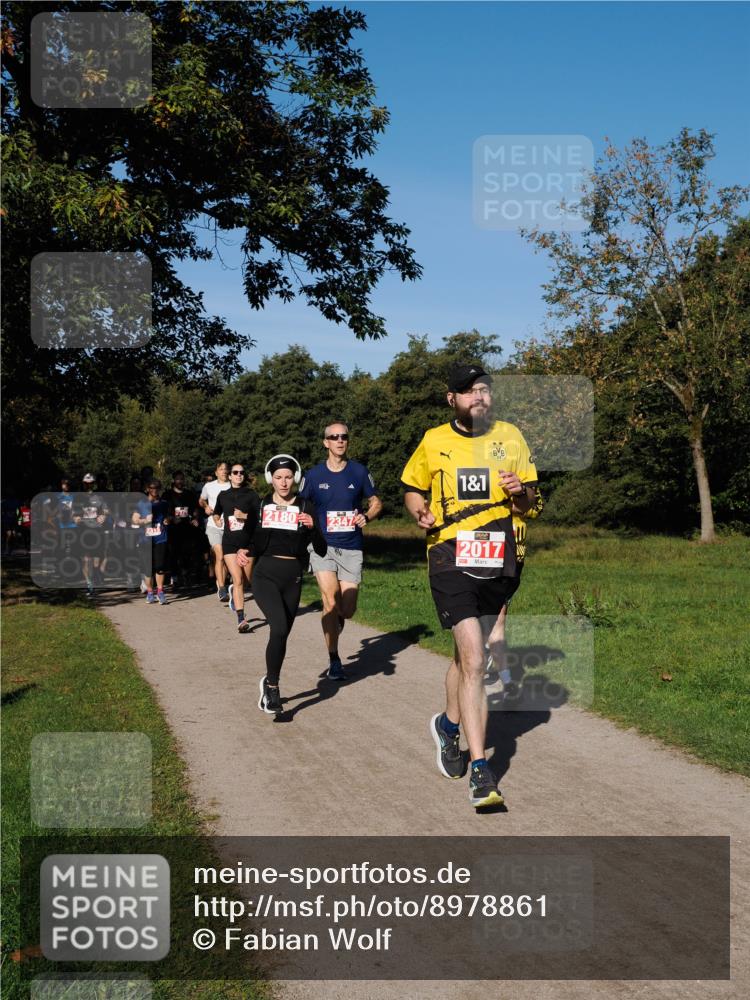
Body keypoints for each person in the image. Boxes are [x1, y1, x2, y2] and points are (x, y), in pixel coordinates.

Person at [401, 364, 539, 810]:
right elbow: (411, 488)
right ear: (451, 399)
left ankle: (447, 724)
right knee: (477, 657)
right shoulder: (434, 440)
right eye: (468, 391)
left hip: (499, 560)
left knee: (466, 660)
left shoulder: (511, 437)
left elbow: (532, 503)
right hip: (448, 558)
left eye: (484, 390)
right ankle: (481, 770)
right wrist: (418, 510)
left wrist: (521, 492)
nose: (478, 397)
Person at [237, 455, 327, 715]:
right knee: (277, 627)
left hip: (293, 577)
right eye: (278, 477)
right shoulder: (262, 505)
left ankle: (268, 680)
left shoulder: (306, 506)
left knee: (282, 633)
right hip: (265, 574)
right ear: (271, 479)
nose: (284, 482)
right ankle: (273, 688)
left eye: (288, 477)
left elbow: (320, 549)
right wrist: (244, 552)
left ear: (295, 478)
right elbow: (251, 540)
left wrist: (313, 528)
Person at [299, 422, 382, 680]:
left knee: (347, 609)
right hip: (322, 545)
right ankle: (334, 658)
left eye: (344, 436)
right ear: (326, 443)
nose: (339, 440)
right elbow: (302, 506)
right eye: (334, 437)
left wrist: (367, 516)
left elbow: (376, 501)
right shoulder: (313, 476)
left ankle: (338, 620)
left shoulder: (358, 472)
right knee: (330, 600)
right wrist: (307, 523)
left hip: (351, 547)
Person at [212, 464, 260, 632]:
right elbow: (216, 511)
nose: (239, 475)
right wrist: (217, 518)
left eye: (242, 472)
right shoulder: (223, 495)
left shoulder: (251, 494)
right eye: (235, 472)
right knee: (237, 579)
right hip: (230, 543)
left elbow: (260, 517)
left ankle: (233, 591)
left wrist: (245, 516)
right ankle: (241, 618)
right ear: (230, 476)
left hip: (249, 543)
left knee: (245, 581)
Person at [132, 479, 172, 604]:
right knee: (148, 568)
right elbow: (134, 520)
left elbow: (169, 516)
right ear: (148, 489)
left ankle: (160, 592)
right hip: (145, 539)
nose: (154, 490)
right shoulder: (141, 503)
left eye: (157, 488)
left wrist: (168, 520)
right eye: (152, 488)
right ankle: (150, 592)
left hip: (161, 537)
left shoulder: (164, 503)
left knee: (160, 566)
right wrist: (145, 521)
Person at [163, 470, 201, 589]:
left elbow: (195, 509)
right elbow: (163, 511)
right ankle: (174, 577)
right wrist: (171, 518)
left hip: (187, 527)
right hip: (173, 528)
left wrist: (195, 518)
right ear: (173, 480)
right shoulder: (167, 494)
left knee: (187, 552)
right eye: (178, 479)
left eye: (182, 479)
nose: (180, 481)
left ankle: (186, 576)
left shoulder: (189, 494)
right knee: (173, 552)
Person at [199, 461, 231, 601]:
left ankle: (221, 583)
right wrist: (205, 507)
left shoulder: (233, 485)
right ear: (216, 472)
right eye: (221, 469)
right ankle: (222, 589)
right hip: (214, 525)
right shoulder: (209, 486)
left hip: (230, 526)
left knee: (225, 559)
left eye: (226, 469)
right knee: (220, 555)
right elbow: (201, 500)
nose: (224, 471)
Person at [74, 472, 109, 596]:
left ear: (94, 484)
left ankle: (95, 573)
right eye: (86, 484)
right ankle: (89, 584)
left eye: (91, 484)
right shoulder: (78, 498)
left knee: (95, 559)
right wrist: (76, 519)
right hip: (83, 532)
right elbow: (74, 514)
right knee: (85, 559)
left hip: (96, 531)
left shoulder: (99, 497)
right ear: (83, 484)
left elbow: (106, 510)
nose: (89, 486)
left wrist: (104, 515)